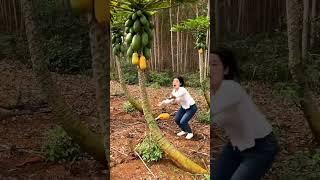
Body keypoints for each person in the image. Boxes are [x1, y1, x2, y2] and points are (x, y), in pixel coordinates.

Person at [210, 47, 279, 180]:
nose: (209, 69)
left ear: (226, 70)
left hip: (260, 148)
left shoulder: (231, 88)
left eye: (214, 64)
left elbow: (217, 112)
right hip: (236, 145)